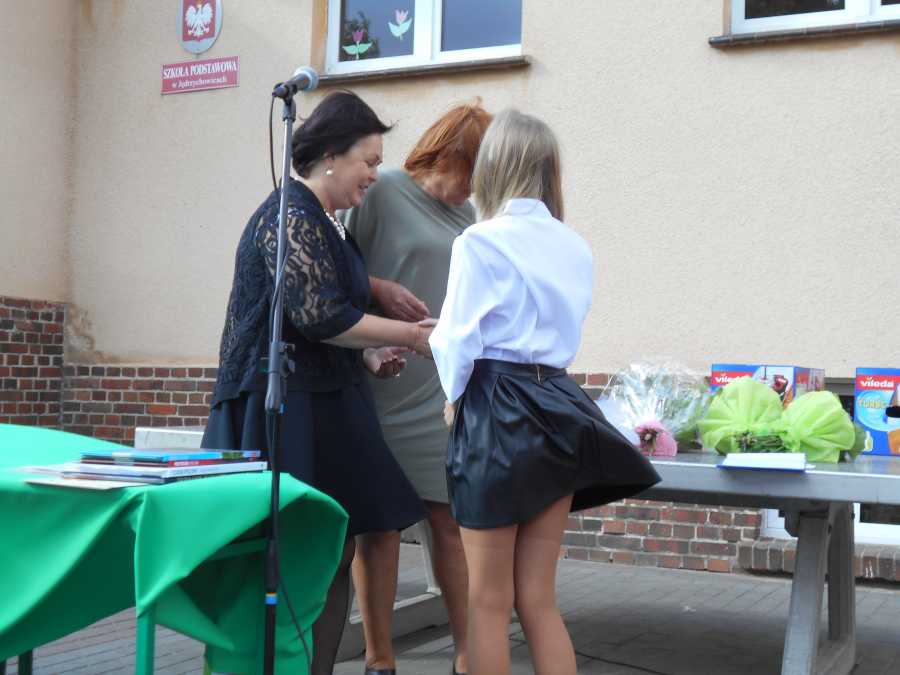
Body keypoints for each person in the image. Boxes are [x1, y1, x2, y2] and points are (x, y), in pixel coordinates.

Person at [201, 90, 431, 675]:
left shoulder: (327, 223)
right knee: (297, 557)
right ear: (330, 155)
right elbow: (321, 317)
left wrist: (370, 355)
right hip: (285, 410)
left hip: (327, 402)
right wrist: (413, 336)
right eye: (369, 162)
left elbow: (319, 321)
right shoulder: (289, 215)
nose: (375, 175)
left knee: (334, 549)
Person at [429, 109, 661, 675]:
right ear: (548, 170)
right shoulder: (574, 246)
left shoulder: (477, 241)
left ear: (493, 167)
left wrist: (453, 398)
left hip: (494, 406)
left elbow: (455, 339)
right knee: (538, 599)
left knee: (488, 601)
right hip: (558, 404)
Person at [343, 101, 492, 675]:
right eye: (473, 171)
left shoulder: (470, 215)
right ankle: (379, 659)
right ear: (451, 155)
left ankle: (468, 655)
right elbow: (341, 275)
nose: (474, 187)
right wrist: (380, 291)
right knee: (378, 530)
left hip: (439, 391)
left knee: (449, 523)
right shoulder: (382, 192)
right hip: (378, 378)